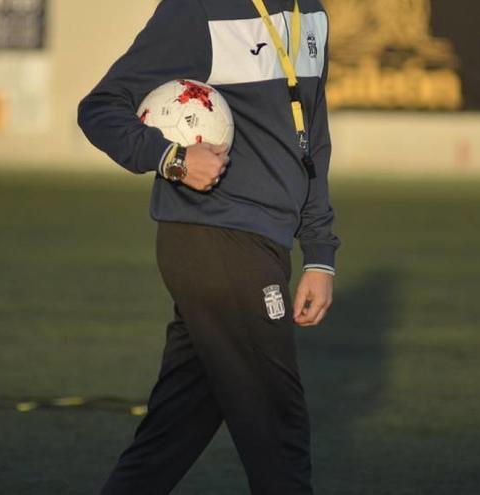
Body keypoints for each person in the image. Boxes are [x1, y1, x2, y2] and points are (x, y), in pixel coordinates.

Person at [77, 0, 340, 493]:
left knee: (175, 429)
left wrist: (320, 252)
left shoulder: (312, 11)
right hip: (212, 240)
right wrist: (171, 159)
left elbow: (313, 141)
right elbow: (100, 108)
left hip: (262, 243)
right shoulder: (196, 9)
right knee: (278, 429)